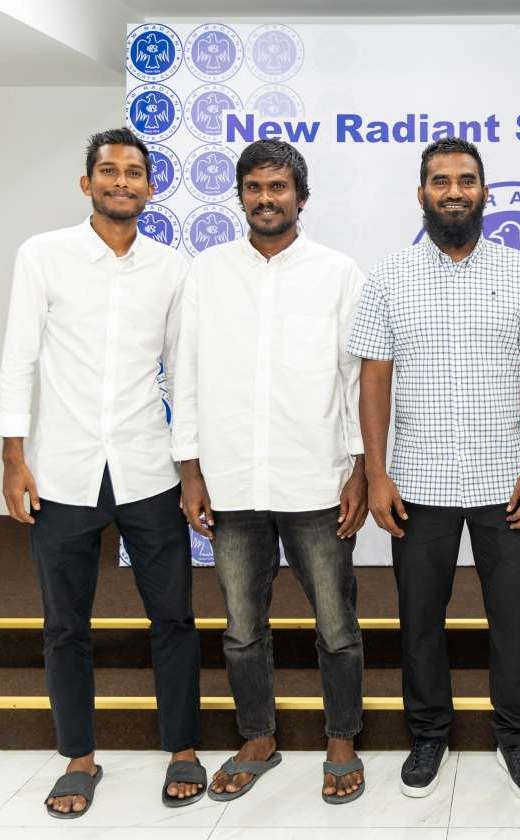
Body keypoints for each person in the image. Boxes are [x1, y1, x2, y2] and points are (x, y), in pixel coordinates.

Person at [0, 127, 203, 818]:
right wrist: (13, 457)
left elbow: (185, 375)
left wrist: (191, 470)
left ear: (150, 187)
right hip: (62, 472)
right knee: (65, 624)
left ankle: (182, 748)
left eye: (134, 172)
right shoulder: (43, 256)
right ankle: (79, 758)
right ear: (87, 183)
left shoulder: (172, 269)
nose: (121, 181)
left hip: (148, 469)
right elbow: (18, 357)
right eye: (109, 171)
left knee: (173, 617)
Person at [348, 137, 520, 801]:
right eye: (441, 181)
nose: (455, 191)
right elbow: (373, 381)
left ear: (484, 191)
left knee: (514, 619)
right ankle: (428, 733)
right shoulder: (389, 277)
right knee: (420, 618)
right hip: (417, 480)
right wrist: (376, 473)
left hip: (505, 480)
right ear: (422, 195)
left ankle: (516, 735)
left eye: (466, 180)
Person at [173, 139, 368, 804]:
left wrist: (360, 467)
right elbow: (185, 372)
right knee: (241, 627)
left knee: (336, 625)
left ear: (301, 198)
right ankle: (258, 737)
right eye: (254, 187)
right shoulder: (207, 273)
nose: (266, 198)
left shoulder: (338, 273)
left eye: (278, 187)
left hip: (315, 477)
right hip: (232, 480)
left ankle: (342, 740)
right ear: (240, 196)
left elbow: (354, 379)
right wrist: (191, 470)